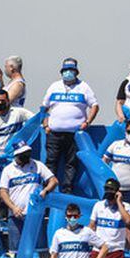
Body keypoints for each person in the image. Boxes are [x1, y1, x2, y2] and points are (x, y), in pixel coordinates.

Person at [42, 58, 99, 192]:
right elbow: (44, 108)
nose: (68, 73)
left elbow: (95, 105)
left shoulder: (84, 87)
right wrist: (45, 125)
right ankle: (49, 193)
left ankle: (67, 193)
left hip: (74, 134)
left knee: (71, 164)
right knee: (51, 163)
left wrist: (88, 122)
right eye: (65, 71)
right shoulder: (54, 86)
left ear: (76, 72)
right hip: (54, 134)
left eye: (71, 71)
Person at [0, 141, 58, 251]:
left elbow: (53, 181)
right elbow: (3, 192)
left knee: (42, 249)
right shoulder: (8, 170)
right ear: (16, 155)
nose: (26, 156)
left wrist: (45, 191)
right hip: (16, 215)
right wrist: (13, 208)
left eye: (27, 153)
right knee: (17, 250)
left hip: (35, 213)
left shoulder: (38, 165)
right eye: (23, 154)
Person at [0, 89, 34, 160]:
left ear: (8, 100)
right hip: (0, 155)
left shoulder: (19, 112)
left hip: (17, 154)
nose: (0, 103)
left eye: (2, 100)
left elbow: (34, 119)